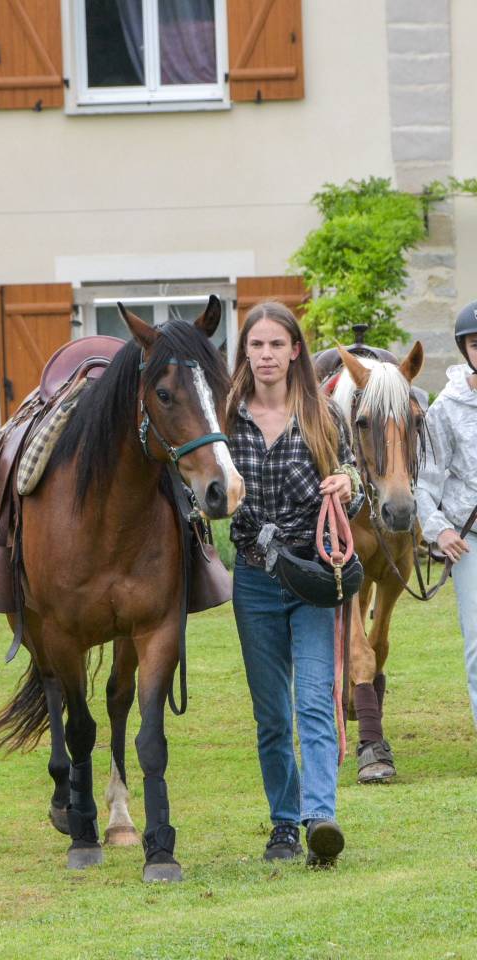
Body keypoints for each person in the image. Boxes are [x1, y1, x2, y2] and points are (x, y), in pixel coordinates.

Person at [227, 300, 363, 867]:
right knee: (272, 715)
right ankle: (284, 824)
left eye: (276, 344)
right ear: (246, 353)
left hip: (312, 574)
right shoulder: (225, 418)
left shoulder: (322, 414)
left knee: (313, 700)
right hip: (255, 579)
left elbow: (357, 474)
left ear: (295, 351)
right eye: (256, 345)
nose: (266, 355)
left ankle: (320, 818)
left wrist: (347, 483)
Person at [415, 300, 477, 728]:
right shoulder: (446, 409)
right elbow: (425, 481)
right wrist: (439, 531)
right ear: (464, 349)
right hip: (471, 542)